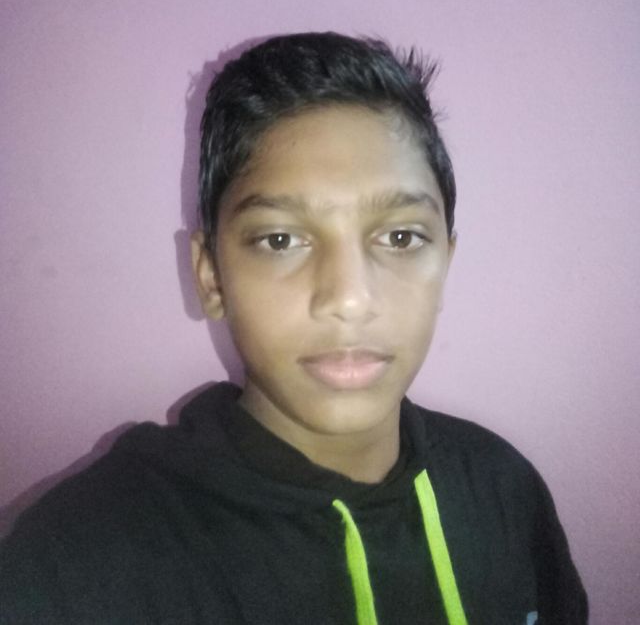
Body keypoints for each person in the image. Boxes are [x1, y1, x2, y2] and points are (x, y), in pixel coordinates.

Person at [0, 33, 587, 624]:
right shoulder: (70, 567)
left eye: (401, 236)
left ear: (445, 265)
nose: (349, 298)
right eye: (280, 240)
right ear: (211, 276)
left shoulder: (504, 490)